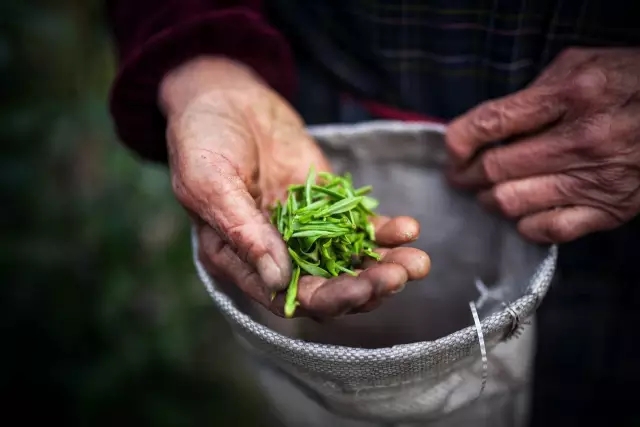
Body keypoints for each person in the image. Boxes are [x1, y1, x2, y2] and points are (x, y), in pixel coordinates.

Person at [106, 1, 640, 424]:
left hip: (613, 204)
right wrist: (204, 66)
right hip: (308, 109)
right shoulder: (300, 176)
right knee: (341, 389)